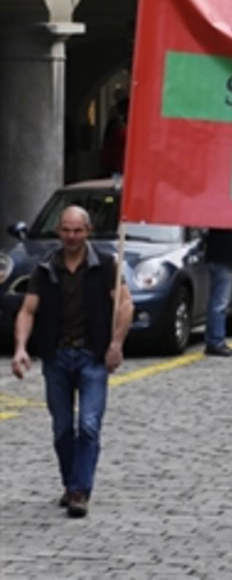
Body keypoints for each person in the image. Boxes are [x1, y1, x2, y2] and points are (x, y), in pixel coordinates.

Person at [9, 206, 134, 518]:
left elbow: (125, 305)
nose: (71, 236)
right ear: (58, 231)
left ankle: (79, 491)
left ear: (88, 231)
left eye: (78, 230)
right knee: (63, 428)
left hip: (93, 355)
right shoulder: (46, 267)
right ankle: (71, 483)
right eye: (66, 230)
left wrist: (116, 344)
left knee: (89, 426)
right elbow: (27, 310)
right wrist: (21, 348)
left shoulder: (105, 264)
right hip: (57, 356)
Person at [203, 228, 232, 357]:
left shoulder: (216, 215)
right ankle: (216, 341)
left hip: (213, 256)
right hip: (224, 259)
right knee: (220, 303)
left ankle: (212, 339)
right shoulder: (230, 218)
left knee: (214, 300)